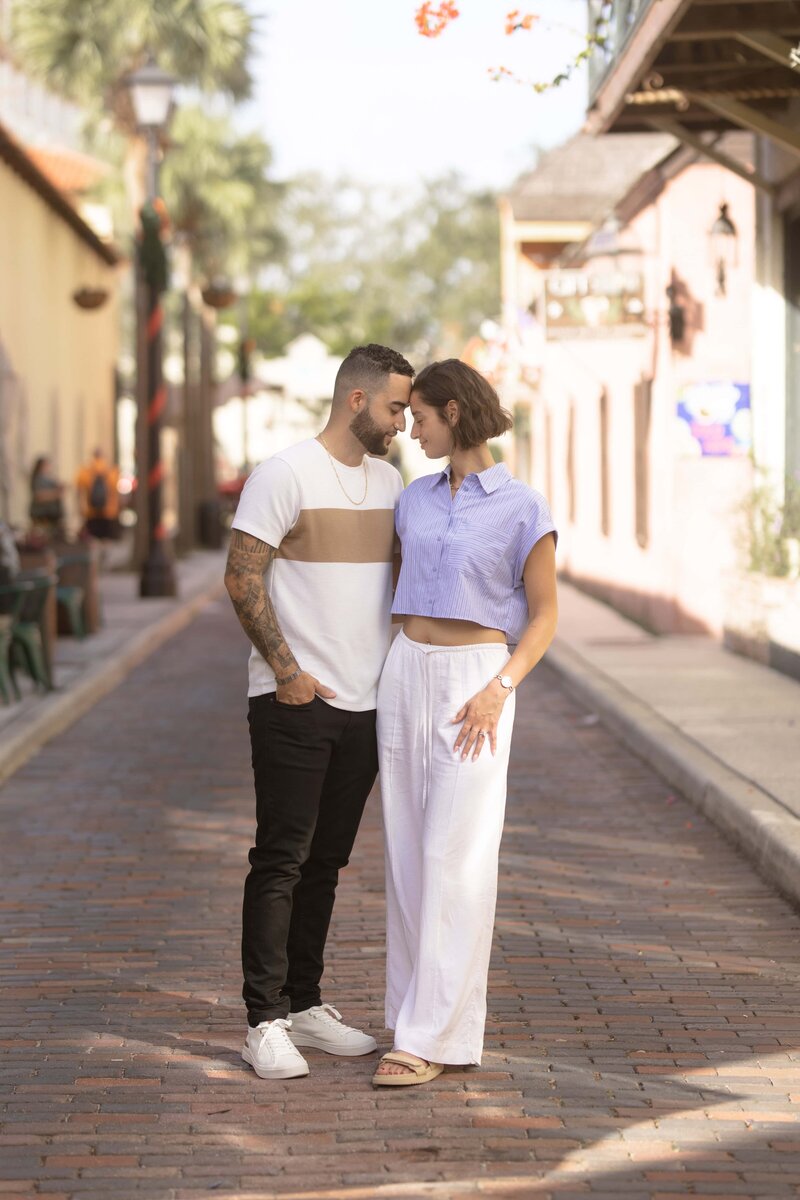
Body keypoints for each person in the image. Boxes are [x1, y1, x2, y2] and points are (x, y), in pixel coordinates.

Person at [225, 343, 414, 1081]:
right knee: (282, 858)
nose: (404, 421)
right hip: (296, 703)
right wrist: (286, 672)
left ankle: (305, 1004)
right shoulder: (285, 473)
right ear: (358, 401)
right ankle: (263, 1020)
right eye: (397, 406)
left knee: (327, 863)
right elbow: (243, 578)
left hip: (369, 707)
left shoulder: (394, 481)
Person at [373, 358, 558, 1087]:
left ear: (454, 413)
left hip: (474, 682)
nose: (409, 430)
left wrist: (500, 687)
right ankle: (411, 1015)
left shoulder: (522, 506)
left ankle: (431, 1037)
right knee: (408, 855)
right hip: (405, 671)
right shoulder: (412, 500)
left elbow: (544, 616)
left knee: (457, 856)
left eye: (418, 417)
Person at [75, 449, 120, 543]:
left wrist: (80, 507)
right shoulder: (112, 471)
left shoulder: (86, 471)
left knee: (93, 539)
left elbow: (79, 491)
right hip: (109, 511)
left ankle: (96, 555)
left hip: (91, 511)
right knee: (107, 539)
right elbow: (117, 491)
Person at [29, 456, 64, 537]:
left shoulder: (47, 478)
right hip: (42, 514)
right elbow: (39, 496)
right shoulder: (38, 479)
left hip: (51, 514)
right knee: (43, 536)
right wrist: (56, 493)